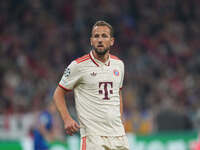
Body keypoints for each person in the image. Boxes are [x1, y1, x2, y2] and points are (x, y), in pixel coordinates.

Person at [53, 20, 130, 150]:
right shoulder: (78, 66)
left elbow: (117, 93)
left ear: (111, 41)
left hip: (118, 136)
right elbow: (58, 93)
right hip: (93, 138)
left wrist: (120, 119)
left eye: (104, 36)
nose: (100, 40)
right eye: (96, 36)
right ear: (91, 40)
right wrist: (67, 119)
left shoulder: (119, 65)